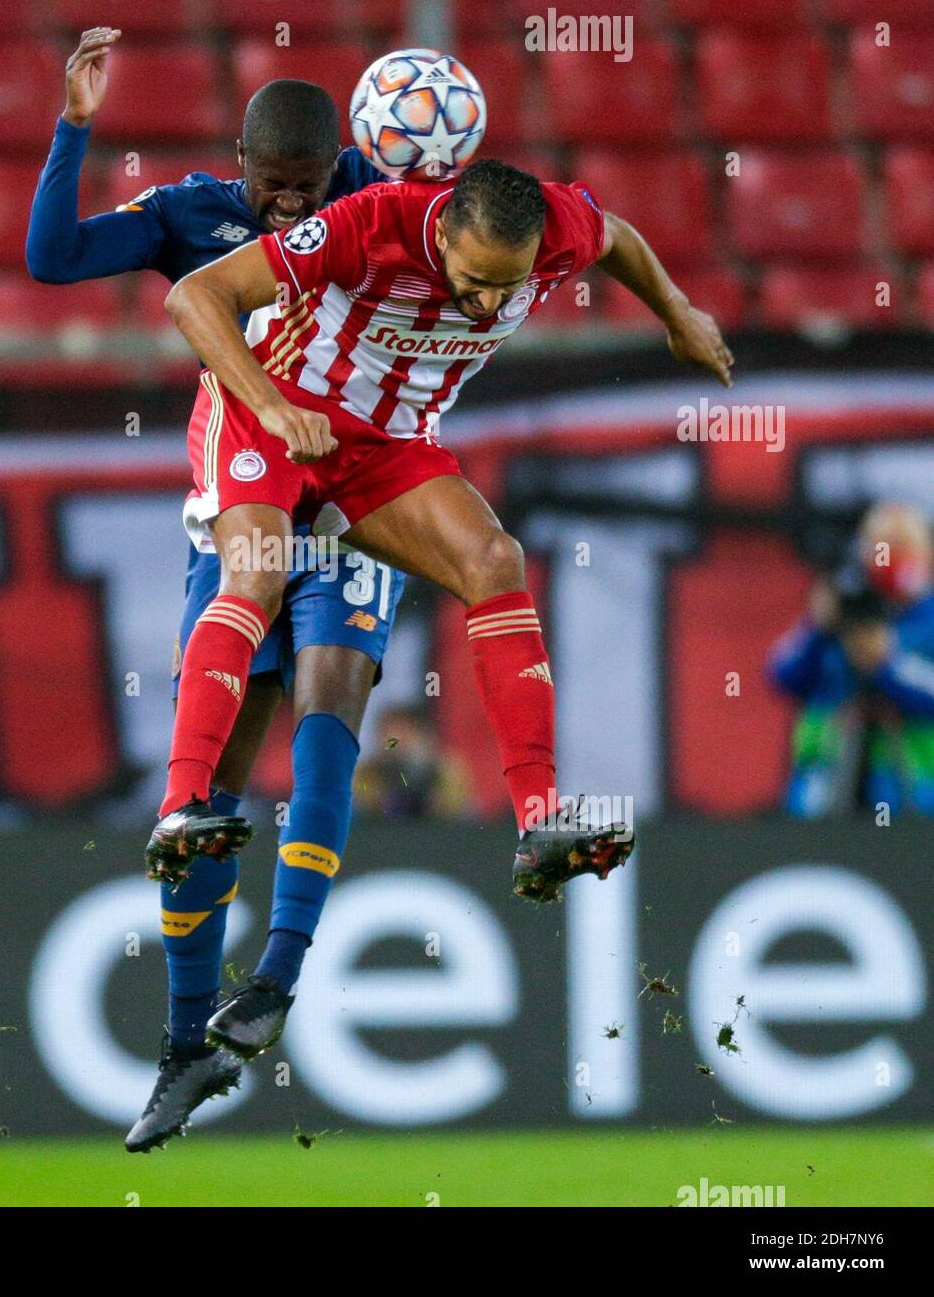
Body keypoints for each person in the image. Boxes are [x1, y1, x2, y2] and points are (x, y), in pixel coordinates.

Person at [150, 157, 736, 1053]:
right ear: (444, 234)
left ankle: (540, 823)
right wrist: (268, 404)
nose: (488, 306)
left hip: (380, 444)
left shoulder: (556, 230)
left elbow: (618, 236)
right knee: (258, 575)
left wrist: (678, 313)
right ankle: (185, 807)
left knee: (493, 559)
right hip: (275, 414)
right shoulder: (373, 220)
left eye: (509, 288)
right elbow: (195, 296)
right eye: (471, 281)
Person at [24, 28, 407, 1152]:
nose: (288, 210)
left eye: (305, 187)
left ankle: (276, 977)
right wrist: (75, 128)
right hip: (238, 504)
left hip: (348, 499)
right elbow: (50, 260)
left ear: (338, 163)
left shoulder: (375, 206)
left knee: (332, 705)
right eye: (269, 187)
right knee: (211, 801)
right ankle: (188, 1041)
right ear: (238, 161)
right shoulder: (193, 213)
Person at [768, 502, 934, 816]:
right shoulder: (844, 609)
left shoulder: (929, 619)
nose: (889, 556)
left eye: (902, 545)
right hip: (828, 782)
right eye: (880, 545)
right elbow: (782, 675)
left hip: (915, 791)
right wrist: (819, 628)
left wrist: (886, 663)